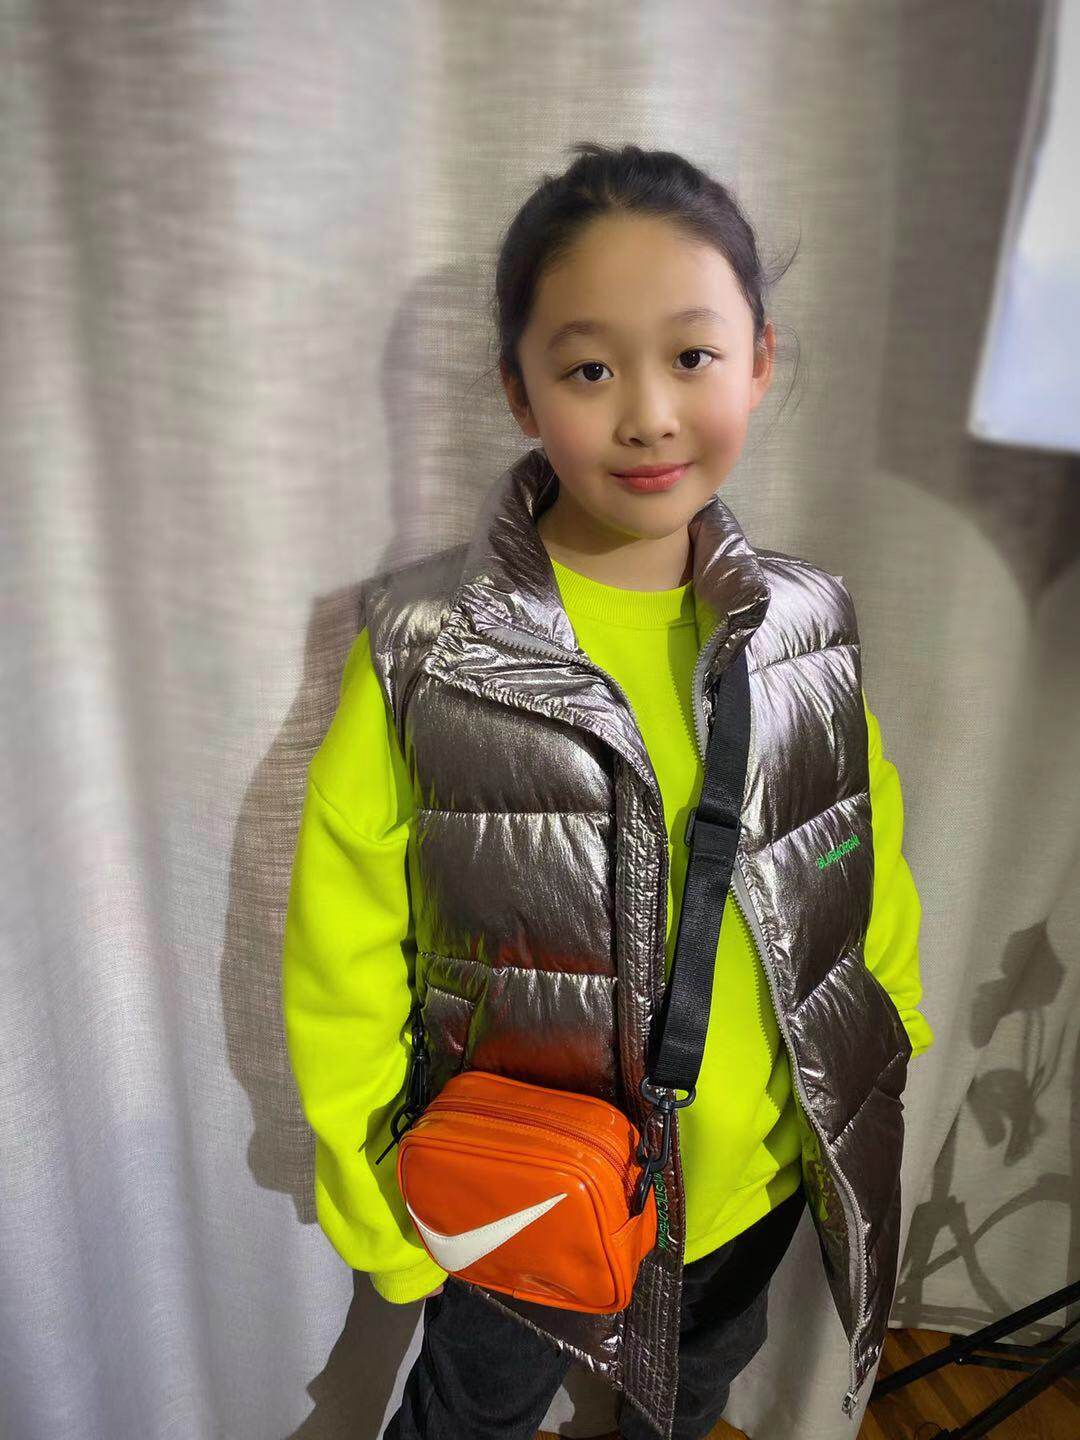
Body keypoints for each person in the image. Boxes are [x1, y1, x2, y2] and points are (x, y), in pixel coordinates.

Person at [281, 141, 935, 1440]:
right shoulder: (427, 646)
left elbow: (859, 851)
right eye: (589, 369)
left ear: (759, 359)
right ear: (518, 391)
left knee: (685, 1405)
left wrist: (884, 1042)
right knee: (466, 1418)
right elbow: (340, 944)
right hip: (524, 1192)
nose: (648, 415)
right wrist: (381, 1201)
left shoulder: (809, 623)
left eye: (692, 356)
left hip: (753, 1177)